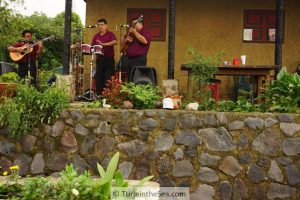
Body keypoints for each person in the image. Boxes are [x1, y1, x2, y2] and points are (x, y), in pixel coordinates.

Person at [91, 18, 117, 95]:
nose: (100, 26)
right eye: (99, 25)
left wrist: (103, 44)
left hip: (109, 60)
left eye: (102, 25)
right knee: (99, 78)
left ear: (106, 26)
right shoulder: (96, 36)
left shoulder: (110, 34)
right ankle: (99, 96)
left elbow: (114, 42)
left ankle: (108, 96)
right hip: (99, 60)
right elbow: (92, 46)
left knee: (108, 78)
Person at [121, 17, 151, 82]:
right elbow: (123, 46)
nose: (133, 25)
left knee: (137, 79)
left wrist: (135, 32)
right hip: (129, 59)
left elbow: (145, 41)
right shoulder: (132, 34)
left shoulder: (145, 31)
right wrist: (124, 37)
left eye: (134, 24)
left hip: (139, 59)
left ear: (140, 23)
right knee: (130, 79)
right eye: (132, 24)